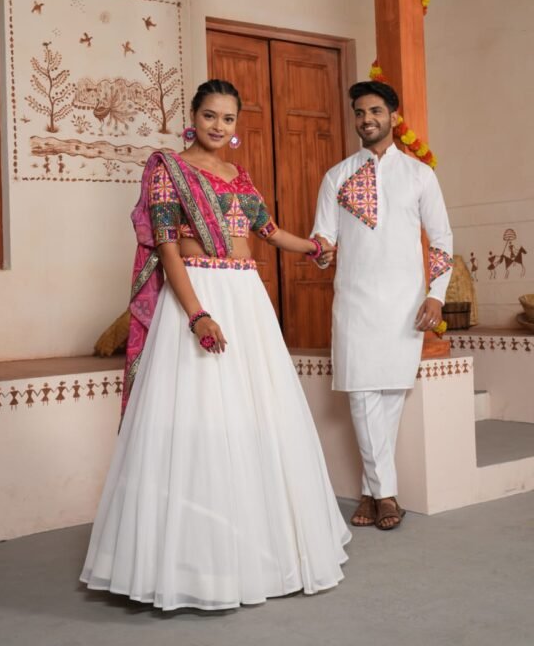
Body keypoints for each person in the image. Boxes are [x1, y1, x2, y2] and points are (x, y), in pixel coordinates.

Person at [80, 79, 351, 611]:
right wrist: (197, 314)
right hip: (199, 293)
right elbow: (165, 248)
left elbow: (268, 232)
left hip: (247, 297)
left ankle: (260, 555)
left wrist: (316, 247)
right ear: (194, 116)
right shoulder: (167, 167)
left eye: (228, 119)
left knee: (254, 418)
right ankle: (191, 563)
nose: (219, 127)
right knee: (197, 422)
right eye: (210, 116)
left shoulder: (237, 175)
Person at [312, 80, 453, 531]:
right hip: (354, 301)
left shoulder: (419, 175)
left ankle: (373, 492)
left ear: (393, 116)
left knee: (391, 394)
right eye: (359, 112)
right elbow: (324, 239)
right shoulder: (336, 176)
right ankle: (387, 493)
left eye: (375, 111)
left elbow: (443, 240)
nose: (366, 119)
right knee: (361, 394)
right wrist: (320, 251)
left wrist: (436, 293)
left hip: (406, 303)